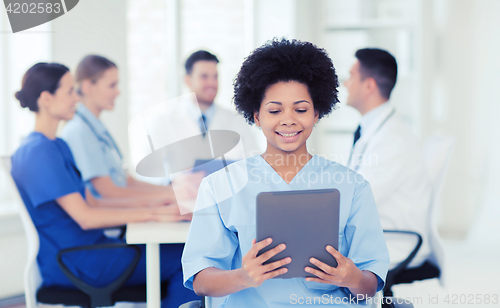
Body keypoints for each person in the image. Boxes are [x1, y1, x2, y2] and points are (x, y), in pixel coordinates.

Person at [181, 39, 390, 307]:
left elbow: (369, 287)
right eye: (274, 110)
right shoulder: (220, 186)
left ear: (316, 113)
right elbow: (200, 280)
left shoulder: (353, 187)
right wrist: (243, 277)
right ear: (256, 116)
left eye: (301, 109)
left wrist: (351, 278)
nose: (288, 119)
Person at [10, 62, 198, 307]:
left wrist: (161, 209)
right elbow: (86, 217)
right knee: (191, 258)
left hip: (94, 251)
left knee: (183, 252)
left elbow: (93, 201)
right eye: (68, 91)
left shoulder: (57, 145)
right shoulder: (37, 152)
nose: (75, 97)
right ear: (46, 98)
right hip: (80, 262)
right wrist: (155, 213)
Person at [60, 55, 202, 200]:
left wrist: (173, 190)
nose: (118, 92)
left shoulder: (95, 128)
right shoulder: (79, 132)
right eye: (112, 85)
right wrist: (171, 196)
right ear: (88, 87)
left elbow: (127, 181)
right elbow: (108, 192)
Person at [344, 48, 432, 269]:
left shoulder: (391, 138)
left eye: (351, 76)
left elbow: (359, 201)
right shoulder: (375, 129)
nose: (345, 84)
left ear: (369, 86)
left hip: (393, 242)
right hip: (376, 234)